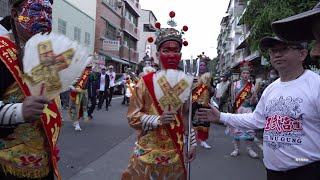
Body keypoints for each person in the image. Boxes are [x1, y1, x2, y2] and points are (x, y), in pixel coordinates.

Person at [197, 36, 320, 180]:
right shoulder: (271, 89)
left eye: (284, 49)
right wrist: (221, 116)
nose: (277, 54)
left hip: (307, 169)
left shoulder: (315, 85)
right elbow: (257, 119)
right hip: (273, 171)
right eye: (273, 51)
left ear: (302, 54)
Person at [121, 15, 197, 180]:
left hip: (174, 154)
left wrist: (191, 142)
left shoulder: (185, 83)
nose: (172, 55)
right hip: (147, 156)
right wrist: (157, 120)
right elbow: (132, 117)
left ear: (181, 55)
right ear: (157, 54)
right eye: (166, 50)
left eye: (176, 51)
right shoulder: (145, 83)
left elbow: (186, 114)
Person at [0, 0, 62, 179]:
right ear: (14, 13)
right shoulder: (2, 51)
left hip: (44, 166)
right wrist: (18, 112)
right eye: (36, 10)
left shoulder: (47, 55)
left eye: (49, 12)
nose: (44, 18)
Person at [224, 60, 259, 158]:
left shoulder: (251, 86)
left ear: (249, 75)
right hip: (237, 109)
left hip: (248, 110)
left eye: (247, 73)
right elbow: (231, 99)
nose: (245, 75)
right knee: (236, 130)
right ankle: (236, 149)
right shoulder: (235, 85)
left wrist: (254, 98)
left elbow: (255, 101)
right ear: (240, 74)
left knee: (249, 130)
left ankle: (250, 149)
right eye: (243, 73)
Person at [191, 53, 213, 149]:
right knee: (194, 121)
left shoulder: (208, 77)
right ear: (197, 66)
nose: (202, 67)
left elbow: (212, 90)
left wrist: (210, 88)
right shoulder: (193, 77)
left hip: (205, 101)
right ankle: (193, 139)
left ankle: (203, 140)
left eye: (204, 65)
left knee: (204, 121)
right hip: (194, 101)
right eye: (200, 65)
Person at [68, 64, 92, 131]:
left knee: (84, 108)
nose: (89, 69)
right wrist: (74, 89)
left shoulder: (89, 75)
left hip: (85, 93)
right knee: (76, 108)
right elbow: (70, 84)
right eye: (88, 68)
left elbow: (94, 79)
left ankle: (79, 119)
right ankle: (76, 123)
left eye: (90, 68)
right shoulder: (78, 74)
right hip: (77, 93)